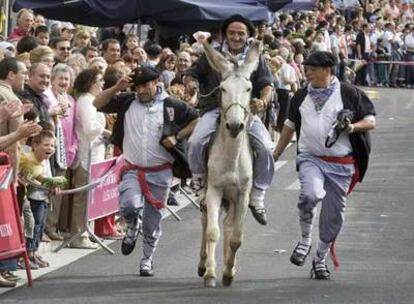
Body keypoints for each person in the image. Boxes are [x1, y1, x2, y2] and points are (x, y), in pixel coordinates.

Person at [273, 51, 376, 280]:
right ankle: (305, 239)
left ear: (327, 69)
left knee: (333, 217)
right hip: (311, 159)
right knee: (309, 195)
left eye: (312, 68)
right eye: (306, 67)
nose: (306, 71)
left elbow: (371, 121)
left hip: (341, 164)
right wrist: (277, 153)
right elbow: (289, 126)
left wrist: (351, 128)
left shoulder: (349, 93)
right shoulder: (300, 96)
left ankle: (320, 257)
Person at [93, 65, 199, 277]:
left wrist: (177, 137)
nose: (140, 90)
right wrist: (117, 87)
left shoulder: (171, 104)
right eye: (137, 86)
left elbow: (196, 119)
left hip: (160, 172)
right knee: (129, 206)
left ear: (157, 82)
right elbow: (97, 103)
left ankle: (147, 260)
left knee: (153, 221)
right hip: (132, 168)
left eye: (145, 86)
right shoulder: (127, 100)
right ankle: (131, 226)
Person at [184, 14, 275, 225]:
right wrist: (190, 83)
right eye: (232, 33)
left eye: (241, 33)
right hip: (214, 110)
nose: (236, 37)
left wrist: (262, 101)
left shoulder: (256, 59)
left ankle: (258, 194)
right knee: (195, 141)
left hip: (245, 113)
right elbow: (192, 72)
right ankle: (199, 182)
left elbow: (267, 84)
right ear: (225, 34)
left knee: (265, 147)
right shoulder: (212, 56)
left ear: (248, 36)